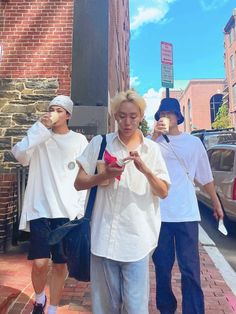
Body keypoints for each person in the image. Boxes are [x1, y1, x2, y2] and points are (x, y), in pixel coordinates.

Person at [74, 90, 170, 314]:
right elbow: (78, 183)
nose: (127, 122)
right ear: (115, 116)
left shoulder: (152, 150)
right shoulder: (100, 143)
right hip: (103, 237)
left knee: (136, 308)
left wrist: (145, 169)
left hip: (137, 239)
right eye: (122, 116)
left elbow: (163, 191)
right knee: (104, 307)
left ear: (141, 116)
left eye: (133, 116)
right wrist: (104, 175)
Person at [12, 95, 88, 314]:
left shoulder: (79, 141)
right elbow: (19, 155)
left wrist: (79, 211)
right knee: (39, 263)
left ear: (68, 115)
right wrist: (39, 128)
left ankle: (52, 307)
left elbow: (85, 174)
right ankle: (39, 298)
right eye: (51, 108)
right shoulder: (39, 136)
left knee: (60, 264)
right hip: (40, 209)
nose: (53, 113)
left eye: (59, 110)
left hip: (67, 212)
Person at [150, 97, 224, 314]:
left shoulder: (193, 143)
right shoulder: (151, 141)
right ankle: (166, 309)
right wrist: (154, 135)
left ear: (178, 117)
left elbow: (205, 176)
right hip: (159, 215)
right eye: (162, 113)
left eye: (170, 113)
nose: (166, 116)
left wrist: (216, 202)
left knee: (190, 269)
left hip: (187, 215)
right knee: (162, 269)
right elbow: (141, 160)